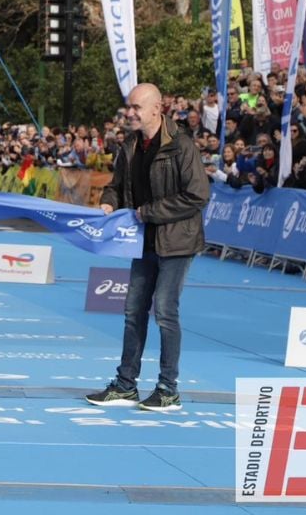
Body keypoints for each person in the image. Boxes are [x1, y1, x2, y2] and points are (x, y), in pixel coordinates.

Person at [87, 83, 210, 412]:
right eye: (129, 107)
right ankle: (126, 384)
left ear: (157, 109)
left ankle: (168, 389)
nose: (130, 113)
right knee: (133, 311)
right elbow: (116, 186)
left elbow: (198, 195)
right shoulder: (129, 145)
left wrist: (149, 212)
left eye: (136, 107)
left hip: (177, 240)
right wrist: (109, 203)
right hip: (142, 240)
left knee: (165, 312)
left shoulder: (181, 145)